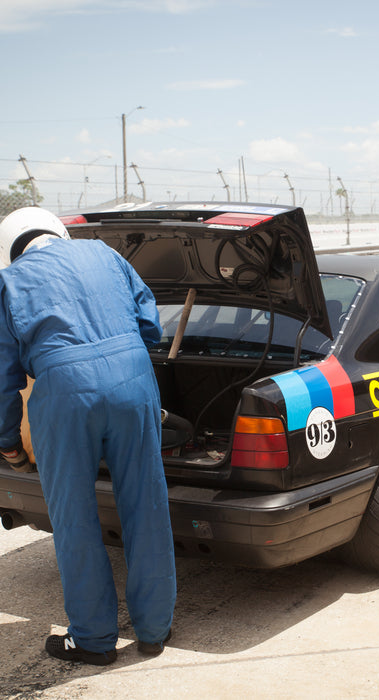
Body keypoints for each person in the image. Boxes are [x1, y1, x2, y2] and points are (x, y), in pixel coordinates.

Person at [0, 207, 176, 666]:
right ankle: (155, 631)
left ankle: (94, 641)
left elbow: (3, 378)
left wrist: (7, 441)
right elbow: (150, 324)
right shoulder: (103, 252)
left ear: (11, 250)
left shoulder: (8, 283)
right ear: (58, 233)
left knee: (74, 518)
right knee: (146, 505)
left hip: (64, 395)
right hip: (133, 381)